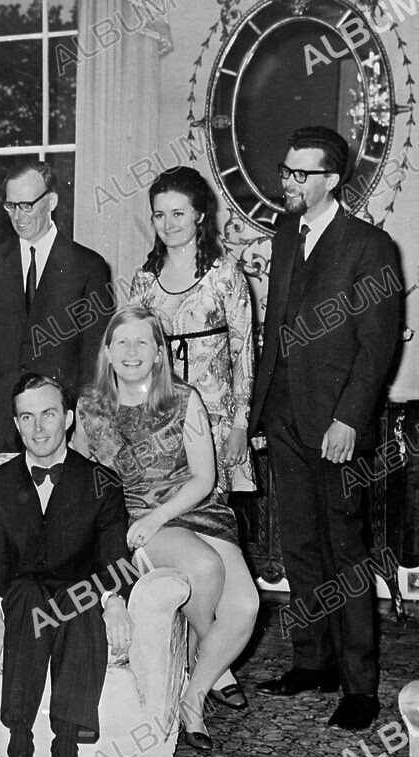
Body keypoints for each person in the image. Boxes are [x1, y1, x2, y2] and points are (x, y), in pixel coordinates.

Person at [249, 126, 402, 731]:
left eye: (297, 174)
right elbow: (274, 332)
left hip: (336, 422)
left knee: (346, 553)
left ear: (331, 181)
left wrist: (347, 419)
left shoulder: (370, 247)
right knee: (300, 545)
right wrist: (260, 413)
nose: (285, 182)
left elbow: (376, 347)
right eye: (285, 171)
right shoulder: (287, 234)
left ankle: (360, 687)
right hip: (284, 415)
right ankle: (314, 663)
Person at [74, 306, 259, 751]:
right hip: (136, 519)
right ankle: (204, 667)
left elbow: (204, 478)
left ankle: (192, 693)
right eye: (122, 342)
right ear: (107, 352)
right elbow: (79, 477)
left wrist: (162, 514)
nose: (132, 351)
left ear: (159, 353)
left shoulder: (183, 397)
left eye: (143, 343)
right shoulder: (90, 407)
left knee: (248, 607)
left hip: (195, 507)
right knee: (204, 566)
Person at [0, 373, 134, 757]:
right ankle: (19, 756)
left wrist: (116, 601)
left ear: (67, 419)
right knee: (25, 596)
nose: (39, 427)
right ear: (16, 423)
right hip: (24, 596)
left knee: (82, 599)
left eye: (48, 414)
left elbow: (113, 557)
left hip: (77, 594)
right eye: (27, 417)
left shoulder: (103, 482)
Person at [130, 165, 257, 711]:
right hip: (164, 425)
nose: (168, 224)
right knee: (183, 546)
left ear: (200, 215)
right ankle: (213, 661)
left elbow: (244, 353)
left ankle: (206, 663)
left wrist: (240, 425)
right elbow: (131, 354)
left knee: (212, 534)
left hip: (216, 420)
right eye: (159, 215)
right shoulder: (143, 279)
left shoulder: (227, 274)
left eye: (178, 213)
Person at [0, 161, 113, 453]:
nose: (17, 215)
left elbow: (94, 360)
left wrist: (84, 424)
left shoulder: (87, 267)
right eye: (10, 205)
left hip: (58, 425)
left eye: (26, 205)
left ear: (51, 201)